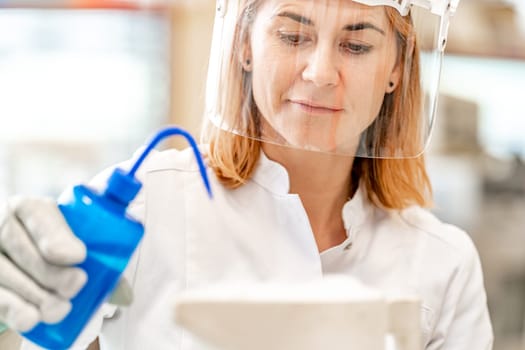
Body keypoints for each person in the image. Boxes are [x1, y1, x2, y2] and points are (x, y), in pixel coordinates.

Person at [0, 0, 493, 349]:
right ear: (244, 46)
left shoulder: (444, 263)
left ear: (398, 69)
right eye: (292, 35)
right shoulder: (145, 205)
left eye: (356, 45)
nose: (321, 72)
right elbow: (40, 334)